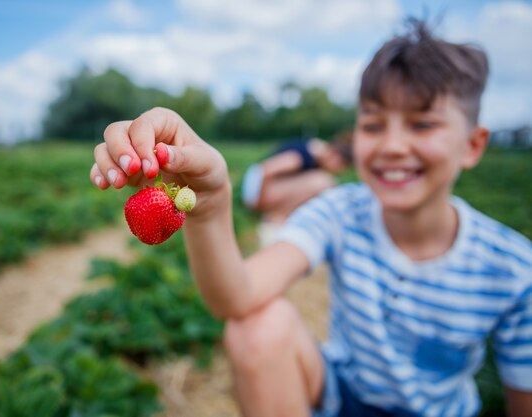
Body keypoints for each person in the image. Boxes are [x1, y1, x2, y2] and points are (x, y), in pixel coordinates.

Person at [90, 19, 532, 417]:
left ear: (473, 145)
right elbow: (237, 299)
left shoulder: (514, 270)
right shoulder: (340, 212)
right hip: (342, 395)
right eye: (373, 125)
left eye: (422, 125)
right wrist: (212, 201)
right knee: (256, 326)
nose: (393, 145)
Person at [241, 133, 352, 226]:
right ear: (335, 154)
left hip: (266, 186)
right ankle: (278, 216)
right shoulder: (307, 155)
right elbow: (267, 170)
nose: (340, 171)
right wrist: (260, 205)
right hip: (257, 188)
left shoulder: (317, 153)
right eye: (341, 166)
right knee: (323, 182)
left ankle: (282, 215)